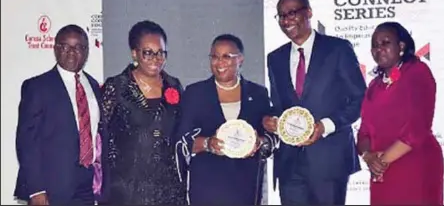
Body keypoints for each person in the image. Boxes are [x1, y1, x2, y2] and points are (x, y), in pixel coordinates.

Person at [262, 0, 367, 205]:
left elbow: (359, 99)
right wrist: (269, 120)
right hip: (290, 164)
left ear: (309, 12)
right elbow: (280, 106)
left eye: (292, 12)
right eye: (281, 15)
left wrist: (324, 126)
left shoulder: (337, 49)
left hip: (329, 161)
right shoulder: (275, 58)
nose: (286, 20)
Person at [175, 34, 278, 205]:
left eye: (226, 56)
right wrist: (208, 144)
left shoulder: (258, 93)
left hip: (246, 186)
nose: (219, 62)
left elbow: (271, 138)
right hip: (207, 187)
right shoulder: (195, 93)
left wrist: (259, 142)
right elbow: (181, 140)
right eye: (214, 56)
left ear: (240, 59)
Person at [14, 24, 104, 205]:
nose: (71, 52)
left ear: (86, 51)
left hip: (88, 183)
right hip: (51, 187)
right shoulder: (37, 87)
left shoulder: (94, 86)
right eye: (65, 46)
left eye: (78, 47)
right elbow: (27, 142)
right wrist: (36, 190)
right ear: (55, 49)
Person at [99, 20, 187, 205]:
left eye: (160, 52)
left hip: (168, 188)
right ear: (134, 53)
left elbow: (182, 132)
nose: (155, 59)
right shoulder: (116, 86)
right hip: (126, 188)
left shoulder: (174, 86)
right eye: (148, 53)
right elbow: (100, 135)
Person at [356, 21, 444, 205]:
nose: (378, 49)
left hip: (415, 165)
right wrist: (368, 156)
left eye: (385, 43)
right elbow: (363, 132)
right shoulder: (374, 85)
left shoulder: (417, 72)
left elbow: (417, 127)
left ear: (401, 46)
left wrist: (381, 162)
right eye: (374, 45)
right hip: (382, 172)